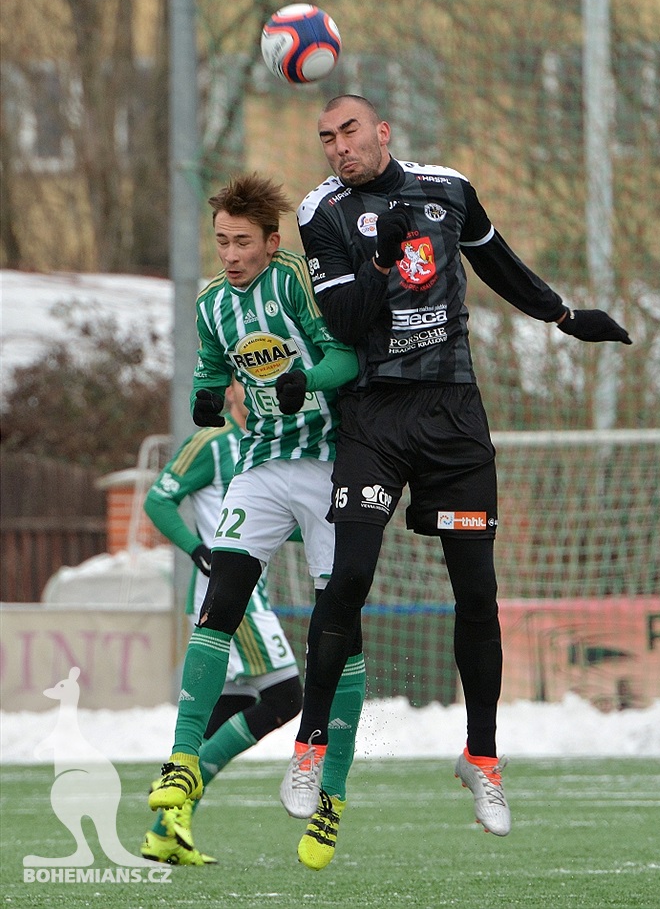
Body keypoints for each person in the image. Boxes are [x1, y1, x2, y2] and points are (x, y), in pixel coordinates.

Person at [279, 94, 632, 837]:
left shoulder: (448, 188)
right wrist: (381, 256)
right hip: (375, 416)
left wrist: (564, 317)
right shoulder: (322, 213)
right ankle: (309, 742)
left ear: (382, 131)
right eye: (325, 138)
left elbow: (497, 262)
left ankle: (483, 757)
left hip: (453, 414)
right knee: (348, 578)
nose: (338, 147)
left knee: (477, 592)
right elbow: (345, 322)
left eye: (349, 131)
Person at [147, 173, 365, 871]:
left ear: (272, 243)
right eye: (222, 241)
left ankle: (329, 798)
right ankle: (184, 762)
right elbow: (210, 369)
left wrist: (313, 378)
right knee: (222, 600)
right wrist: (206, 398)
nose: (231, 254)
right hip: (267, 465)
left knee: (340, 631)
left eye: (244, 242)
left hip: (334, 464)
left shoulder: (295, 280)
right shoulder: (213, 302)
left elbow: (345, 354)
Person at [140, 382, 302, 865]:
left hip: (254, 591)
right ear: (231, 388)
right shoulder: (213, 441)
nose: (258, 390)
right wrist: (197, 549)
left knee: (225, 706)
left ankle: (164, 829)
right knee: (285, 696)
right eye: (246, 380)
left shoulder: (271, 442)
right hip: (231, 597)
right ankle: (188, 791)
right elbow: (158, 499)